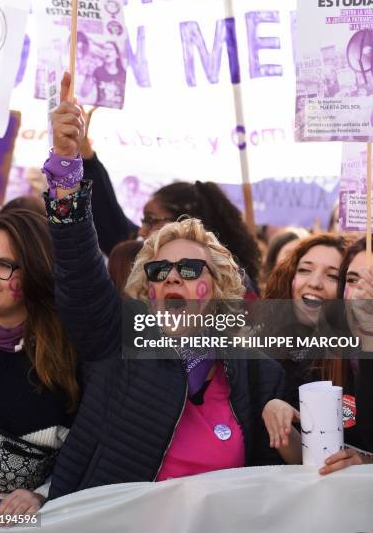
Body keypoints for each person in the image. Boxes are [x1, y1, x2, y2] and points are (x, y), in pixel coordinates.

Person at [41, 75, 290, 499]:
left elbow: (292, 480)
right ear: (148, 290)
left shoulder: (257, 371)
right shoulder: (115, 341)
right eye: (158, 272)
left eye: (190, 269)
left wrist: (286, 420)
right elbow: (78, 262)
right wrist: (67, 167)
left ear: (217, 287)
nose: (172, 277)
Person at [0, 210, 78, 515]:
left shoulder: (68, 361)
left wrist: (43, 495)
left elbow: (83, 454)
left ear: (36, 271)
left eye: (4, 265)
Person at [80, 112, 261, 293]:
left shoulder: (237, 287)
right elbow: (110, 220)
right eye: (157, 274)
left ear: (185, 224)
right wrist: (83, 153)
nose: (141, 231)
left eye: (151, 220)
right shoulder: (143, 259)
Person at [262, 234, 373, 474]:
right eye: (352, 279)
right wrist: (279, 416)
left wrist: (365, 462)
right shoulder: (332, 358)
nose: (315, 282)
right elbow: (313, 458)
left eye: (332, 275)